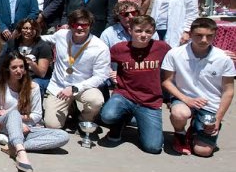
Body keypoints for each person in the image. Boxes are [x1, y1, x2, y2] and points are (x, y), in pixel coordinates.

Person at [162, 18, 235, 157]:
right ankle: (180, 134)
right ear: (190, 34)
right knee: (179, 113)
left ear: (215, 35)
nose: (204, 40)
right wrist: (187, 99)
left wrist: (218, 119)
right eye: (199, 35)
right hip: (184, 98)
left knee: (203, 152)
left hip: (210, 104)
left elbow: (228, 91)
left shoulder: (224, 58)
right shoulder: (175, 54)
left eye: (209, 36)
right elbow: (167, 82)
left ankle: (196, 130)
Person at [99, 15, 171, 154]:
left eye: (148, 31)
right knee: (107, 115)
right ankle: (119, 124)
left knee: (153, 148)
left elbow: (182, 56)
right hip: (125, 95)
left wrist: (221, 53)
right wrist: (110, 71)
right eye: (138, 31)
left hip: (150, 101)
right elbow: (100, 59)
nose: (143, 35)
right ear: (130, 30)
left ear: (153, 32)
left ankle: (139, 121)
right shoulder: (119, 48)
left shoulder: (162, 48)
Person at [0, 52, 70, 172]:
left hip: (27, 128)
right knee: (13, 114)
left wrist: (20, 120)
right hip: (4, 125)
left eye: (21, 67)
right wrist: (13, 118)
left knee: (63, 136)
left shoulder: (33, 87)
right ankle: (21, 153)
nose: (18, 71)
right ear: (7, 69)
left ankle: (13, 145)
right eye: (14, 67)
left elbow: (37, 115)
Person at [42, 10, 111, 131]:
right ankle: (70, 107)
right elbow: (45, 39)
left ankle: (83, 120)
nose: (79, 28)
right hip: (59, 86)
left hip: (84, 87)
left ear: (90, 25)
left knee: (96, 100)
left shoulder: (100, 47)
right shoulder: (62, 35)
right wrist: (24, 36)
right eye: (75, 24)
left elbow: (100, 76)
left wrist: (75, 88)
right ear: (70, 25)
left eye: (84, 25)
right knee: (52, 125)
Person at [6, 17, 53, 95]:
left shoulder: (43, 46)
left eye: (32, 29)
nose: (28, 31)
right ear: (21, 29)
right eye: (25, 28)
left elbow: (42, 74)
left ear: (36, 30)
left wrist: (32, 63)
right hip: (17, 74)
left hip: (37, 78)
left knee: (33, 86)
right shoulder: (13, 43)